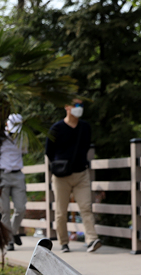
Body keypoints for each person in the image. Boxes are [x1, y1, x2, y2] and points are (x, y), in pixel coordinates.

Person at [46, 100, 100, 253]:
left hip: (81, 173)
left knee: (86, 207)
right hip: (61, 176)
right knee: (61, 212)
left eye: (81, 105)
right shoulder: (56, 128)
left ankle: (92, 240)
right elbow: (49, 151)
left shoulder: (85, 127)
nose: (79, 108)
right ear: (67, 107)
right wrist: (59, 165)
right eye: (75, 105)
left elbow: (86, 146)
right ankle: (63, 242)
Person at [0, 114, 27, 251]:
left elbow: (24, 152)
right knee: (4, 210)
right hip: (3, 175)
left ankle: (12, 233)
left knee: (20, 208)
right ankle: (9, 241)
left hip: (17, 175)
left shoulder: (23, 137)